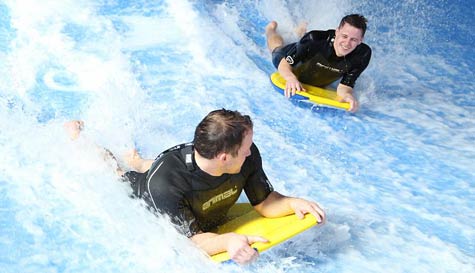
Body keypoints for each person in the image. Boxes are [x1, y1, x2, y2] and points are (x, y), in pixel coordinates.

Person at [64, 109, 326, 265]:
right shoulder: (165, 183)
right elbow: (190, 242)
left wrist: (293, 203)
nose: (250, 152)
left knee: (153, 165)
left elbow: (264, 201)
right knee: (117, 172)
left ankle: (139, 160)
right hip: (143, 192)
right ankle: (78, 136)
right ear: (225, 156)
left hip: (182, 172)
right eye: (244, 149)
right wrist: (228, 241)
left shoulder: (244, 154)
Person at [265, 14, 372, 112]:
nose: (347, 43)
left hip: (312, 59)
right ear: (337, 31)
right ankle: (270, 30)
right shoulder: (315, 39)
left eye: (353, 39)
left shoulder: (362, 55)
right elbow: (284, 64)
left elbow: (345, 86)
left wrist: (347, 95)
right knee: (277, 49)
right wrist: (290, 78)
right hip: (295, 60)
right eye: (344, 36)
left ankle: (300, 31)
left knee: (305, 44)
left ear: (360, 40)